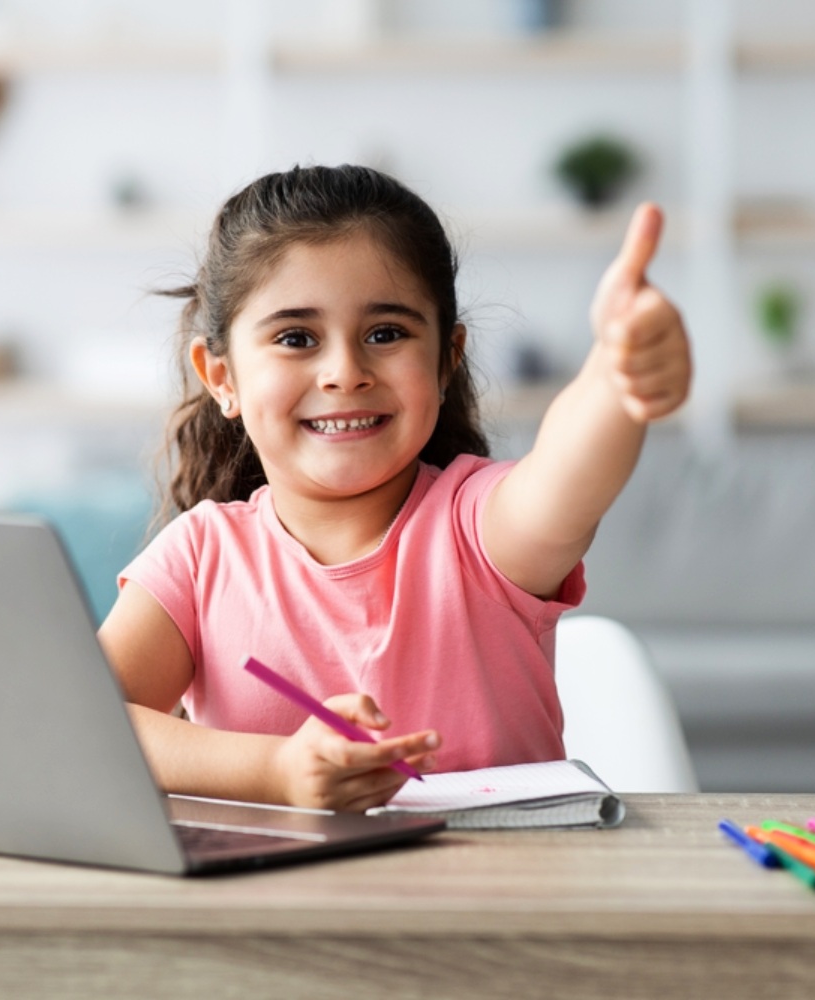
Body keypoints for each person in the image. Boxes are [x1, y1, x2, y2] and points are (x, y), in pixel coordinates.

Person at [98, 164, 691, 813]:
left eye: (386, 334)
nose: (344, 372)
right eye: (296, 338)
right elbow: (82, 719)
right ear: (221, 376)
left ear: (446, 359)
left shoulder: (481, 529)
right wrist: (273, 769)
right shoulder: (199, 556)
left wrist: (615, 376)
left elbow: (569, 472)